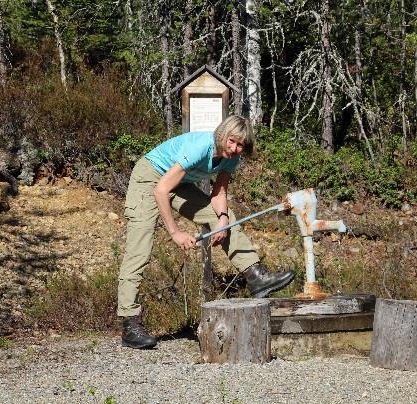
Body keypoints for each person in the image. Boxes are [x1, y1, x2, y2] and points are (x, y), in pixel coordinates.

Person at [117, 115, 295, 349]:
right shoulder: (200, 147)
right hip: (150, 178)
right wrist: (176, 232)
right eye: (231, 141)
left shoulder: (231, 158)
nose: (234, 148)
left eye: (241, 145)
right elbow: (161, 190)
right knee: (139, 248)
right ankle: (130, 323)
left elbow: (219, 193)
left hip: (178, 183)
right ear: (222, 135)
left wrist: (221, 220)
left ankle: (256, 276)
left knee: (224, 218)